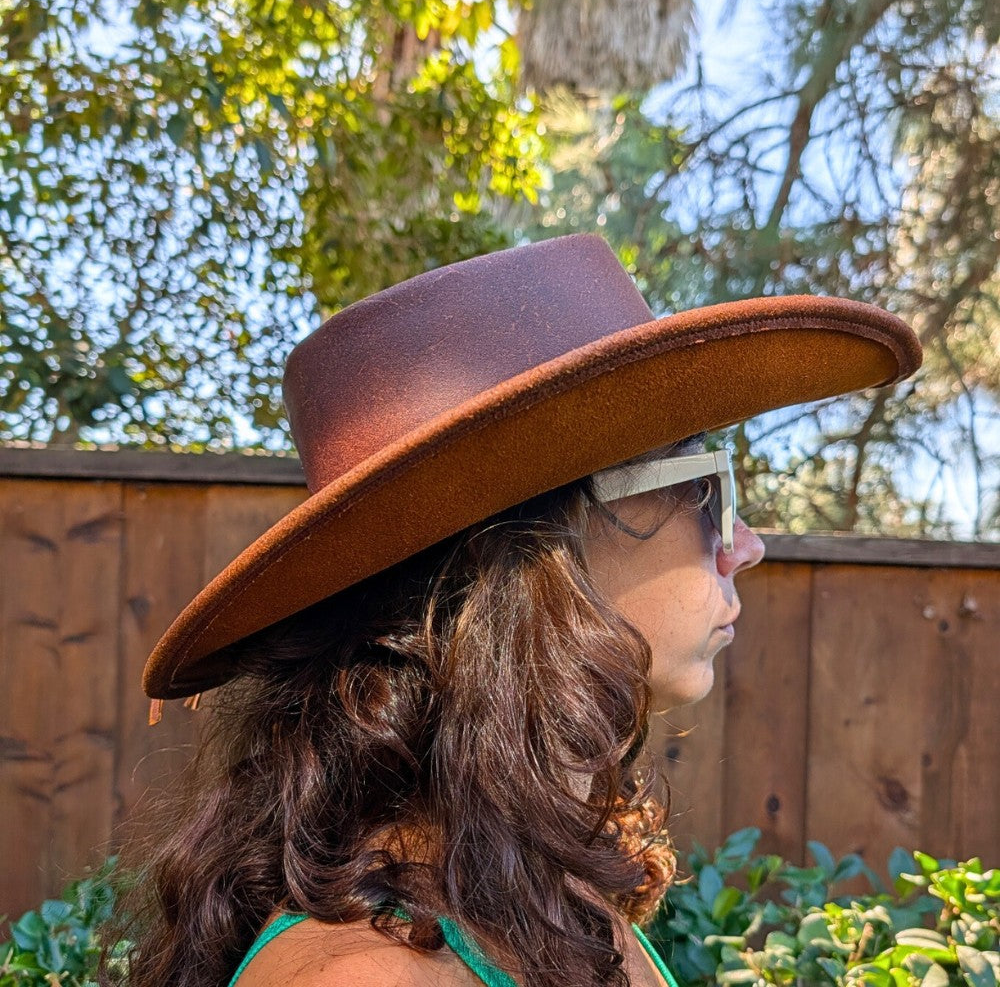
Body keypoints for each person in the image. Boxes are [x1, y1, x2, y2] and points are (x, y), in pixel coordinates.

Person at [108, 235, 921, 987]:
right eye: (706, 487)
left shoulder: (549, 892)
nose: (746, 545)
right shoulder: (367, 975)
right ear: (533, 554)